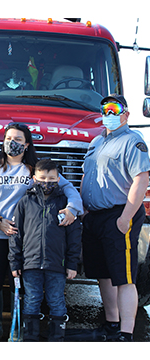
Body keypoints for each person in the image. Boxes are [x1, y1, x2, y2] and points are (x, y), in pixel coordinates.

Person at [0, 122, 83, 341]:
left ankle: (18, 329)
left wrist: (72, 209)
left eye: (18, 140)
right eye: (8, 138)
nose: (11, 143)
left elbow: (69, 189)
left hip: (27, 238)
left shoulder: (36, 170)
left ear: (27, 145)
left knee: (21, 282)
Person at [81, 94, 150, 342]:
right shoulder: (97, 142)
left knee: (124, 277)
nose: (108, 114)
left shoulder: (133, 142)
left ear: (126, 114)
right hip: (95, 218)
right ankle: (111, 324)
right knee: (104, 274)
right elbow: (87, 177)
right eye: (105, 109)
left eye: (114, 109)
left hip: (119, 215)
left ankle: (126, 332)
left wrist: (125, 218)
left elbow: (141, 179)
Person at [9, 159, 82, 341]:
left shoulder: (66, 205)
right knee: (32, 299)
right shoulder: (25, 202)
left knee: (56, 300)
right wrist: (14, 262)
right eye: (42, 178)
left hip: (56, 264)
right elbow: (16, 234)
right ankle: (30, 337)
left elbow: (74, 238)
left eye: (51, 179)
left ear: (58, 179)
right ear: (34, 178)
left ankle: (57, 338)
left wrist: (72, 264)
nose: (46, 183)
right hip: (31, 264)